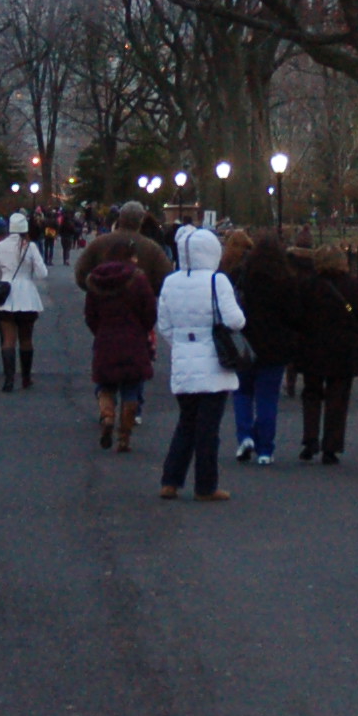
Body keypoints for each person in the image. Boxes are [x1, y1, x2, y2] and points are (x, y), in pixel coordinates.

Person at [156, 224, 248, 501]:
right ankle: (205, 485)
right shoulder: (217, 281)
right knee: (208, 429)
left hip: (184, 361)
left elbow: (164, 325)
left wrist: (182, 344)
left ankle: (171, 481)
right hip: (213, 362)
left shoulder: (171, 282)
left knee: (186, 422)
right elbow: (235, 320)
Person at [293, 244, 358, 466]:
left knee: (311, 393)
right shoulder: (353, 287)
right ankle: (331, 447)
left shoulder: (307, 285)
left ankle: (310, 440)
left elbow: (297, 318)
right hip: (344, 349)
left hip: (313, 347)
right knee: (338, 398)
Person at [227, 232, 304, 464]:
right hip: (275, 345)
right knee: (267, 398)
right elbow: (294, 316)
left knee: (242, 392)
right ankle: (265, 449)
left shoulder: (242, 276)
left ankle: (244, 436)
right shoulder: (287, 280)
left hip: (244, 342)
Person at [82, 244, 157, 452]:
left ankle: (107, 416)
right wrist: (143, 329)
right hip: (133, 339)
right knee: (131, 388)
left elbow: (90, 315)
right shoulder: (138, 279)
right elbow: (149, 311)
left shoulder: (96, 280)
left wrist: (100, 330)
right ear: (130, 257)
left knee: (105, 386)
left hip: (105, 338)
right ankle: (124, 438)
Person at [0, 212, 50, 392]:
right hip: (27, 296)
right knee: (26, 338)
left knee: (8, 339)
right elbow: (42, 273)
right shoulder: (30, 247)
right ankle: (26, 378)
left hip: (6, 296)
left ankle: (9, 380)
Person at [73, 201, 172, 291]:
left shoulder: (99, 243)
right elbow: (165, 276)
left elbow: (81, 272)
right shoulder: (152, 248)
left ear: (120, 218)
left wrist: (95, 290)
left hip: (104, 300)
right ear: (141, 220)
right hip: (137, 300)